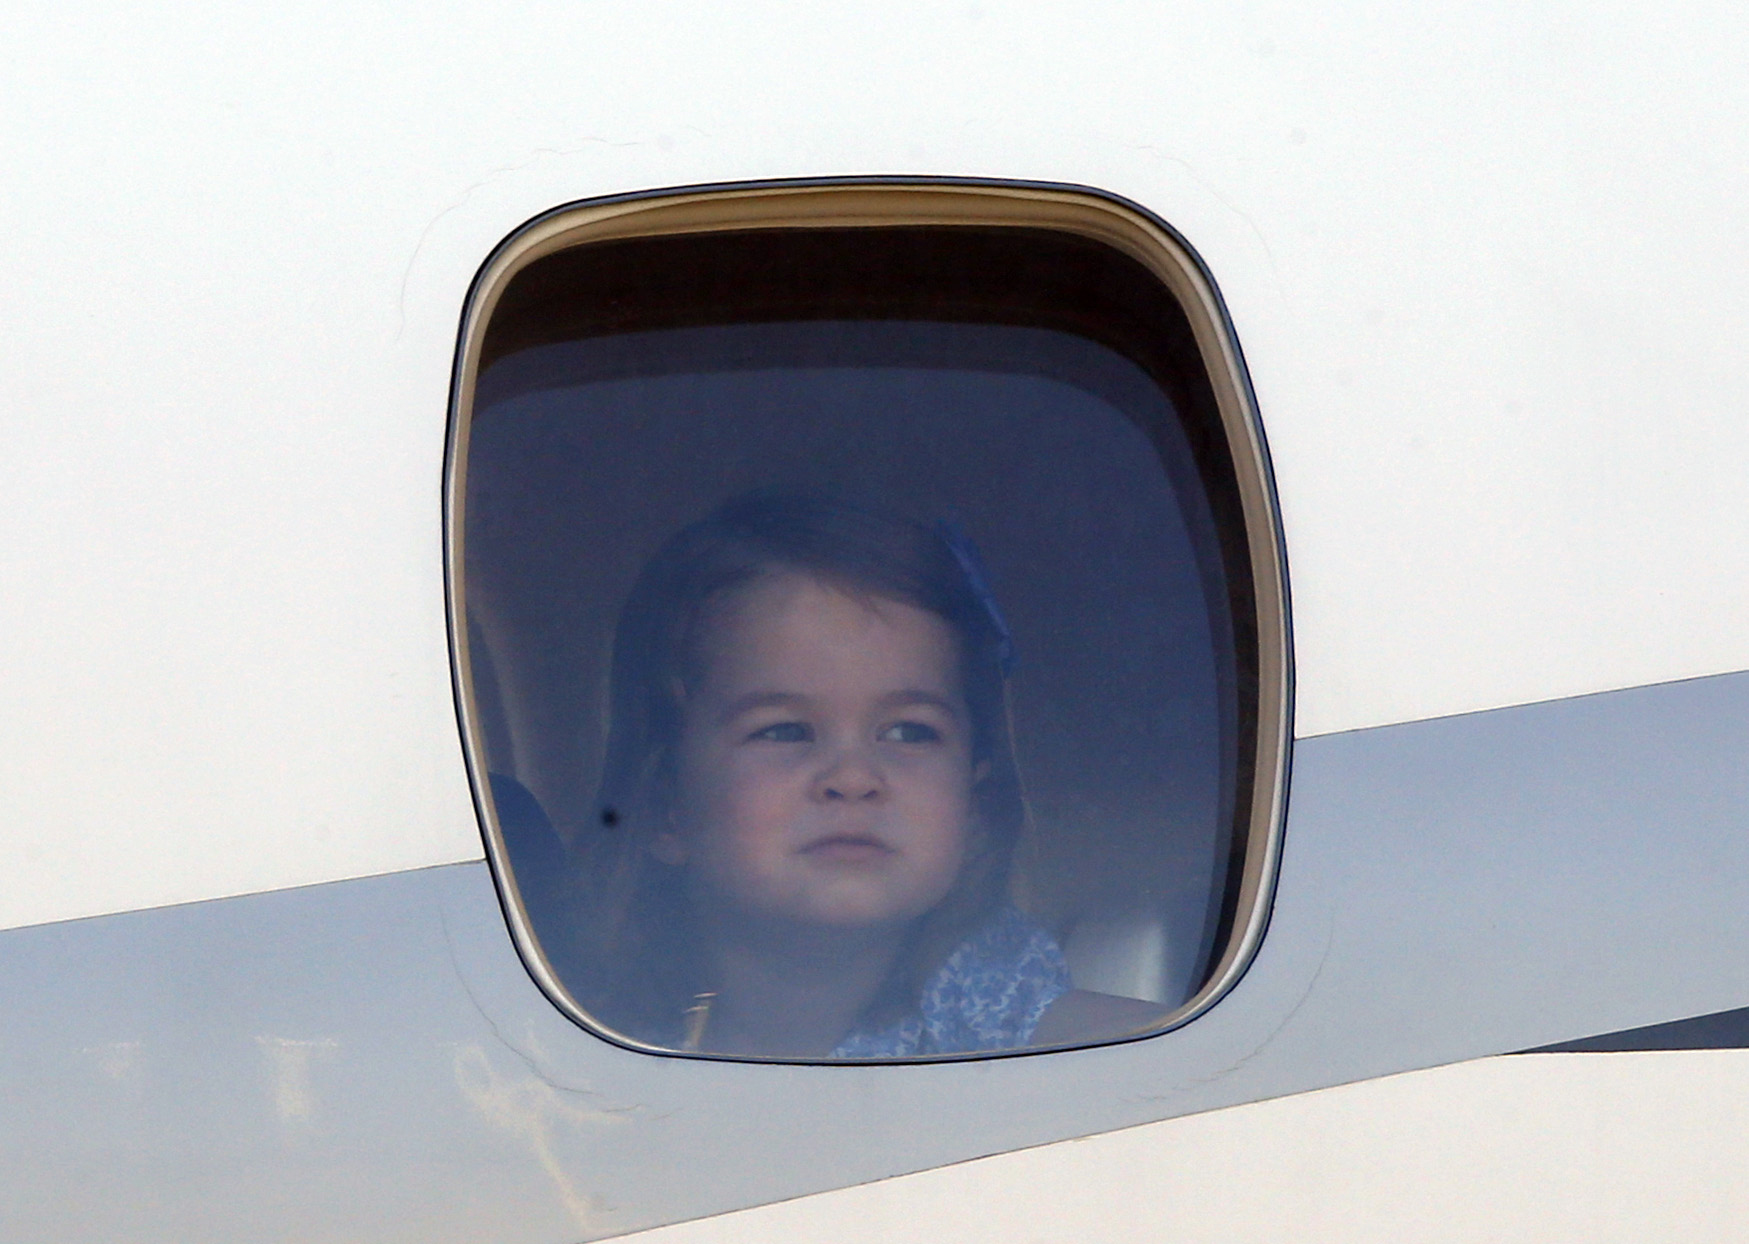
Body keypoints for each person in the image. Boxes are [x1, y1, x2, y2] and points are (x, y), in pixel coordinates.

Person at [553, 490, 1163, 1057]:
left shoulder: (1025, 1031)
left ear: (971, 806)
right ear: (668, 808)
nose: (853, 777)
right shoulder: (598, 1047)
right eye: (785, 730)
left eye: (909, 732)